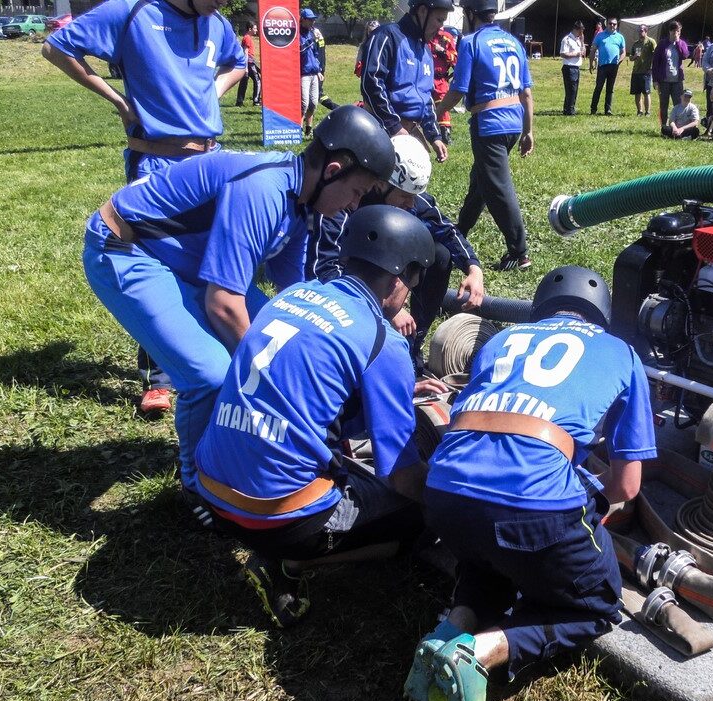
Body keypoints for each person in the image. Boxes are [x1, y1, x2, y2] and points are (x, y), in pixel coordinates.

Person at [80, 105, 394, 520]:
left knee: (269, 345)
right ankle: (198, 486)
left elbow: (292, 300)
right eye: (356, 193)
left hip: (190, 263)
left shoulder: (302, 202)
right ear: (333, 170)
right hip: (127, 249)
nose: (353, 206)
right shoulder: (264, 190)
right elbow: (223, 305)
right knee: (211, 376)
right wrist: (270, 376)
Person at [403, 266, 656, 701]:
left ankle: (452, 628)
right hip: (534, 504)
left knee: (488, 554)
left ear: (539, 308)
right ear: (599, 315)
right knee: (597, 605)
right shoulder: (621, 352)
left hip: (444, 492)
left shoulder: (501, 340)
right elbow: (626, 487)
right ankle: (479, 653)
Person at [195, 206, 440, 628]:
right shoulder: (383, 339)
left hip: (210, 487)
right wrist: (450, 507)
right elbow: (400, 475)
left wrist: (393, 390)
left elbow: (308, 379)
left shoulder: (292, 295)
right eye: (414, 281)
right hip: (274, 518)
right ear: (399, 278)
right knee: (417, 519)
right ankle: (291, 562)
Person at [43, 0, 246, 416]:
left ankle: (209, 357)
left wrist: (209, 91)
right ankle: (158, 378)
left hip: (209, 161)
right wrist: (118, 101)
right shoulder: (130, 13)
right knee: (160, 266)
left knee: (206, 262)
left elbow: (238, 62)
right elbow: (56, 48)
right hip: (157, 161)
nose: (222, 4)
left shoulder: (216, 22)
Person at [317, 136, 486, 371]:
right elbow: (324, 268)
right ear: (381, 184)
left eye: (414, 197)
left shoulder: (412, 199)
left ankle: (413, 343)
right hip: (348, 292)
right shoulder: (350, 199)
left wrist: (473, 267)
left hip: (386, 276)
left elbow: (447, 230)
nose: (411, 204)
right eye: (405, 197)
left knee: (439, 255)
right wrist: (386, 308)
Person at [437, 0, 534, 272]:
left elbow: (458, 89)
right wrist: (528, 131)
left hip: (489, 125)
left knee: (498, 188)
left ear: (470, 13)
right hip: (513, 123)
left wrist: (438, 110)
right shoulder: (513, 42)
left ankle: (520, 251)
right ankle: (461, 230)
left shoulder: (470, 42)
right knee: (481, 180)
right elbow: (526, 92)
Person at [360, 0, 451, 163]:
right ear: (422, 11)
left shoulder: (426, 51)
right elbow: (372, 82)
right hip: (382, 130)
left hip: (407, 132)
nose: (441, 28)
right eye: (439, 20)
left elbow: (425, 97)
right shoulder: (387, 36)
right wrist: (394, 127)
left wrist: (434, 136)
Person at [652, 20, 689, 126]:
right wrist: (655, 80)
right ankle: (664, 126)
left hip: (677, 80)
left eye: (679, 31)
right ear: (670, 31)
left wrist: (677, 43)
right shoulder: (662, 44)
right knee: (663, 105)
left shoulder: (681, 43)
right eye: (674, 31)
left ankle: (678, 126)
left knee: (678, 105)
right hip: (663, 80)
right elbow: (655, 63)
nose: (677, 33)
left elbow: (685, 55)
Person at [299, 9, 326, 138]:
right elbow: (300, 50)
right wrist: (312, 40)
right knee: (303, 104)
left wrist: (319, 70)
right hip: (303, 74)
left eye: (313, 19)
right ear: (302, 19)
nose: (312, 21)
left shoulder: (311, 34)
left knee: (313, 103)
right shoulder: (297, 34)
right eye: (310, 19)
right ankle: (298, 130)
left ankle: (308, 129)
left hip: (314, 73)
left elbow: (315, 54)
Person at [590, 18, 625, 115]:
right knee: (598, 87)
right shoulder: (600, 36)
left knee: (610, 89)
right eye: (610, 23)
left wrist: (619, 60)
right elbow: (593, 50)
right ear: (607, 24)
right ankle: (593, 109)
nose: (612, 25)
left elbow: (623, 52)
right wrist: (591, 63)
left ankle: (608, 110)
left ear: (617, 25)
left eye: (614, 24)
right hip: (602, 66)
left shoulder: (620, 37)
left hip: (614, 66)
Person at [429, 27, 458, 143]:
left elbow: (455, 59)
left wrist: (443, 51)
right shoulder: (425, 36)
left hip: (440, 79)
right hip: (424, 77)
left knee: (443, 105)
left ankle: (445, 134)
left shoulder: (447, 38)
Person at [560, 21, 585, 115]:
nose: (581, 33)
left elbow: (583, 52)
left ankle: (569, 108)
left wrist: (582, 42)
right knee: (571, 89)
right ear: (576, 29)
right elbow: (563, 53)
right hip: (569, 67)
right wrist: (576, 54)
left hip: (576, 67)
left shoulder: (578, 40)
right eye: (580, 30)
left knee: (574, 90)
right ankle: (569, 110)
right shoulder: (567, 39)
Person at [629, 24, 655, 116]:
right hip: (636, 71)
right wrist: (634, 56)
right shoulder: (636, 44)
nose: (639, 32)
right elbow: (630, 58)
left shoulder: (651, 42)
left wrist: (651, 68)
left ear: (646, 31)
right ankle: (639, 111)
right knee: (637, 93)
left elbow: (655, 56)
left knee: (646, 92)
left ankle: (647, 112)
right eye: (639, 31)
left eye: (641, 31)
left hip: (646, 71)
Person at [236, 22, 261, 107]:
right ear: (250, 29)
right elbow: (245, 52)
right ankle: (256, 100)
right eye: (255, 28)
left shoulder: (247, 37)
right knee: (258, 80)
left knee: (244, 81)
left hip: (250, 62)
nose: (256, 30)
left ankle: (239, 101)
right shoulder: (247, 38)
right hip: (249, 62)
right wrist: (245, 67)